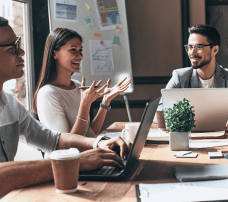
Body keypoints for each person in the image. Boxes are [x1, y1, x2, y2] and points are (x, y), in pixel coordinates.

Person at [0, 17, 131, 196]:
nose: (21, 52)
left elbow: (54, 140)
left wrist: (100, 142)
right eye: (12, 47)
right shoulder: (47, 93)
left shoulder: (10, 104)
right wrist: (74, 161)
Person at [33, 28, 131, 138]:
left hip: (86, 154)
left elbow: (89, 134)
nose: (80, 56)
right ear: (55, 53)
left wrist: (106, 101)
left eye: (80, 50)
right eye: (73, 50)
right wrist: (85, 104)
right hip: (69, 155)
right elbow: (67, 145)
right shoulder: (47, 94)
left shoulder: (78, 86)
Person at [165, 24, 228, 109]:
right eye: (190, 47)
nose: (192, 53)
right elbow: (161, 110)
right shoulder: (180, 77)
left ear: (215, 50)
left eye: (198, 47)